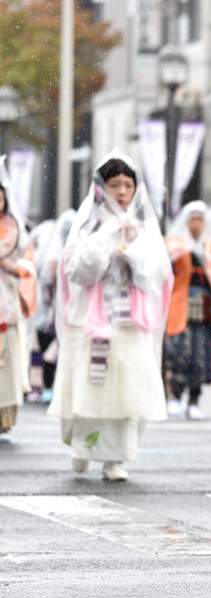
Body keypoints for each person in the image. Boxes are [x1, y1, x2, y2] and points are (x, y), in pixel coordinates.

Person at [47, 149, 172, 482]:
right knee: (90, 386)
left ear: (135, 189)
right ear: (102, 188)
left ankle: (115, 458)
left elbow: (159, 273)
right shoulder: (89, 224)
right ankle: (82, 448)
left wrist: (132, 249)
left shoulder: (144, 225)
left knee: (128, 389)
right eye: (114, 184)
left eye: (127, 185)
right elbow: (76, 271)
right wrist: (106, 237)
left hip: (131, 321)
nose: (121, 192)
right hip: (90, 322)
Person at [164, 201, 211, 420]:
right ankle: (174, 397)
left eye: (200, 220)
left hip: (204, 308)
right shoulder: (175, 245)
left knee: (200, 355)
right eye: (192, 219)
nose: (196, 224)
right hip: (180, 305)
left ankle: (194, 400)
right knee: (179, 354)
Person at [0, 159, 37, 432]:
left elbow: (27, 266)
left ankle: (4, 420)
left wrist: (9, 268)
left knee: (7, 363)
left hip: (6, 306)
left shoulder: (15, 231)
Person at [33, 210, 75, 404]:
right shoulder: (65, 252)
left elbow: (47, 281)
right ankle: (53, 388)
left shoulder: (60, 253)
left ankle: (51, 388)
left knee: (54, 348)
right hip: (63, 308)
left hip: (61, 308)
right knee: (57, 348)